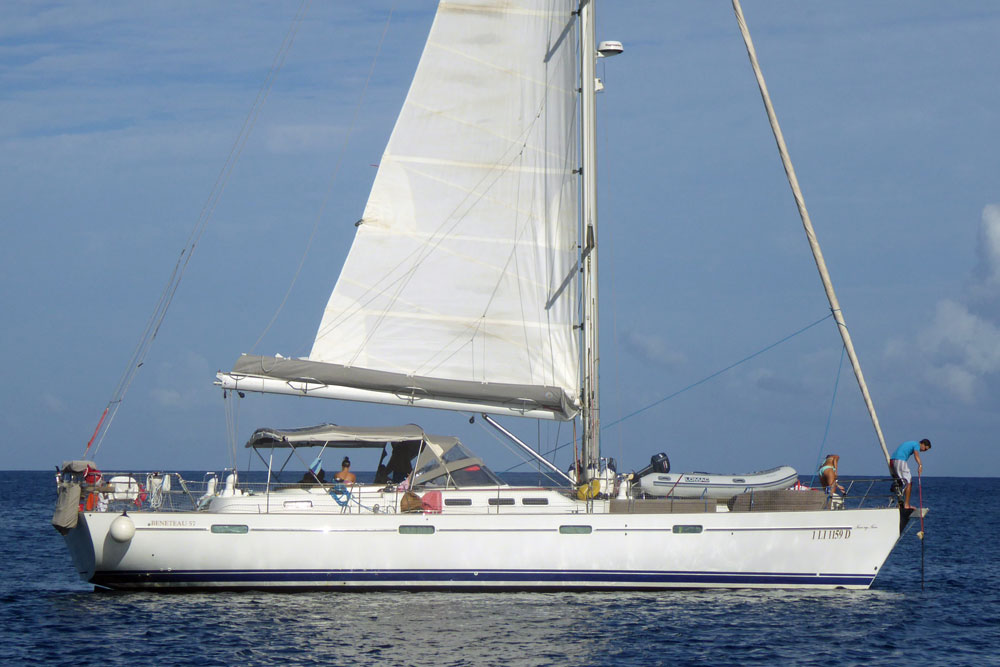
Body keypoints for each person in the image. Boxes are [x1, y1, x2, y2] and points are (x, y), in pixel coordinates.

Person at [889, 439, 931, 510]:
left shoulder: (911, 443)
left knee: (901, 482)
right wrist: (920, 465)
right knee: (908, 482)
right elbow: (916, 454)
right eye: (925, 449)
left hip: (892, 461)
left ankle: (899, 504)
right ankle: (906, 505)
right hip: (900, 460)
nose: (924, 451)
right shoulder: (916, 445)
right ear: (922, 444)